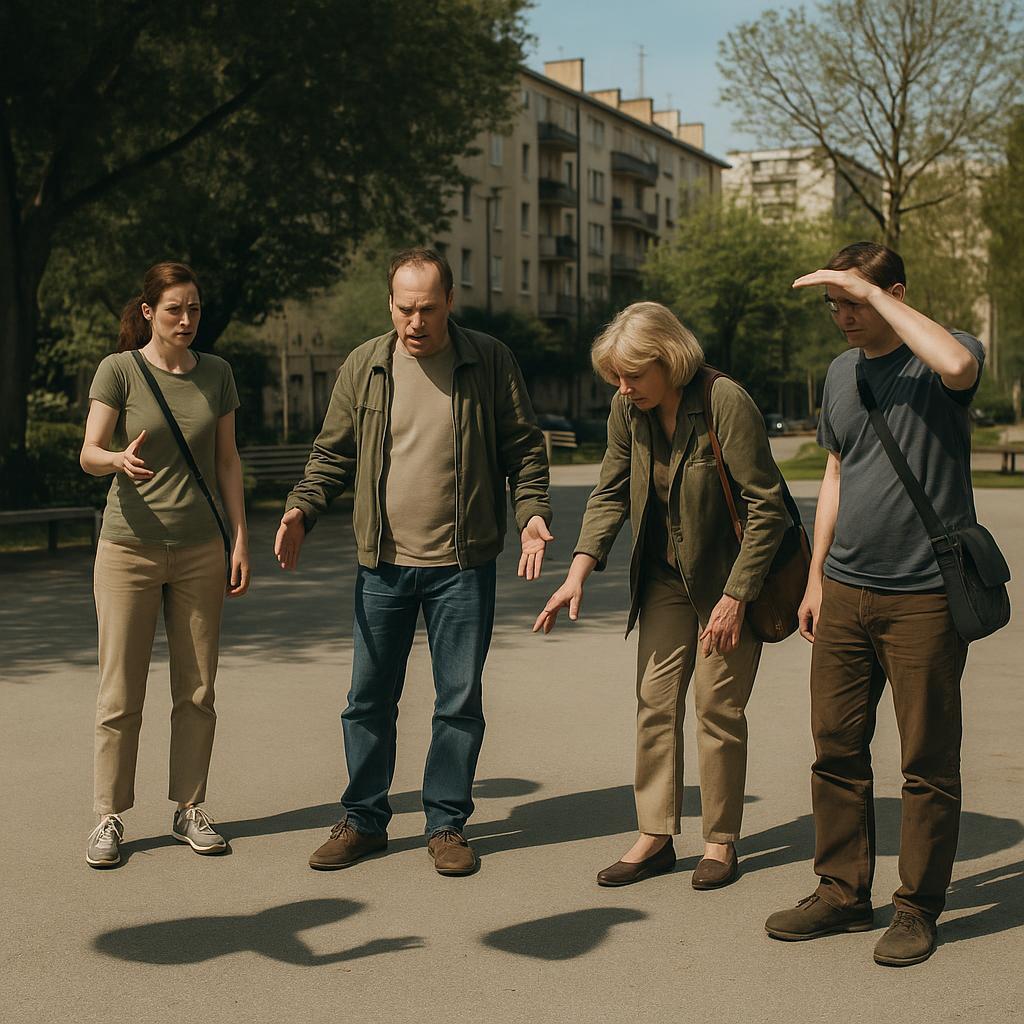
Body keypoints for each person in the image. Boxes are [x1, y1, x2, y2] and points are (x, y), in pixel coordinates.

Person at [277, 247, 552, 876]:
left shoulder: (488, 359)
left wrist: (533, 511)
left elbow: (522, 448)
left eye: (428, 308)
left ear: (450, 302)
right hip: (383, 564)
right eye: (405, 309)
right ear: (390, 306)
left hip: (463, 563)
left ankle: (446, 823)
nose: (416, 322)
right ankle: (364, 819)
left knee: (458, 699)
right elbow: (332, 454)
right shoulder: (365, 365)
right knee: (367, 699)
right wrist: (302, 509)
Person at [764, 242, 986, 967]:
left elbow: (959, 367)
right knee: (836, 748)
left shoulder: (941, 357)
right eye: (833, 305)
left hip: (924, 594)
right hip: (849, 591)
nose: (841, 318)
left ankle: (917, 908)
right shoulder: (839, 373)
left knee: (926, 761)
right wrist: (818, 578)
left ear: (893, 293)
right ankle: (841, 892)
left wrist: (874, 294)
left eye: (852, 302)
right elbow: (836, 470)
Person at [535, 302, 787, 889]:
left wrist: (736, 596)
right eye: (616, 378)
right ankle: (654, 835)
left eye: (633, 376)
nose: (622, 389)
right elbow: (610, 492)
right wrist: (578, 570)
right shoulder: (629, 411)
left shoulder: (725, 401)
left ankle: (720, 842)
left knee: (717, 709)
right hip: (666, 579)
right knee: (654, 701)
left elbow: (767, 506)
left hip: (730, 582)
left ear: (669, 360)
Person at [80, 261, 250, 868]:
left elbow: (227, 461)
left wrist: (239, 539)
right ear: (149, 311)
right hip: (128, 548)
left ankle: (190, 807)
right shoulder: (120, 371)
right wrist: (116, 461)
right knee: (120, 691)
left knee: (197, 688)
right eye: (175, 309)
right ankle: (108, 816)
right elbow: (88, 452)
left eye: (195, 309)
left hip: (202, 549)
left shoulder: (218, 374)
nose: (186, 320)